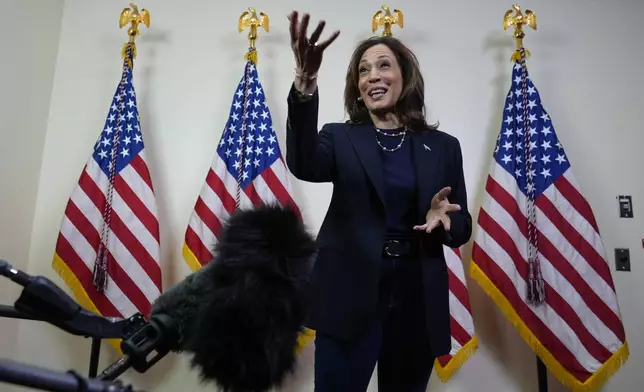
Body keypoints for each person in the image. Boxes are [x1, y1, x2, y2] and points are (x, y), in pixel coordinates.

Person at [285, 11, 472, 392]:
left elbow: (463, 222)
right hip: (349, 293)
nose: (373, 76)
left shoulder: (443, 147)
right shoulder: (340, 138)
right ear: (357, 87)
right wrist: (305, 85)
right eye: (364, 71)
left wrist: (449, 220)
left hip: (416, 296)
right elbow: (304, 163)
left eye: (384, 66)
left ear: (404, 76)